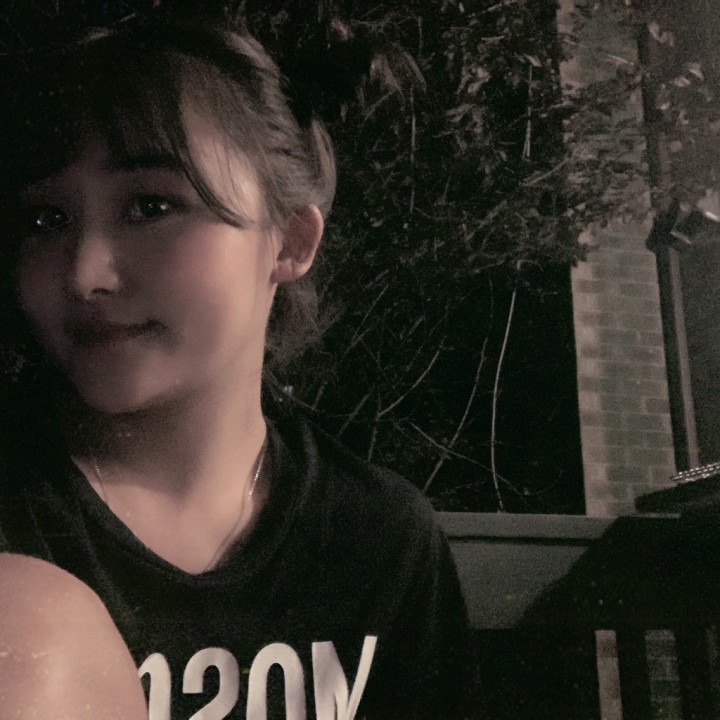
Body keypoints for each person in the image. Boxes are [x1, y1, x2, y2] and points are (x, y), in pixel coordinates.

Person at [0, 12, 474, 719]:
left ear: (290, 240)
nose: (84, 274)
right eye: (46, 220)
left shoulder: (375, 541)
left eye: (150, 205)